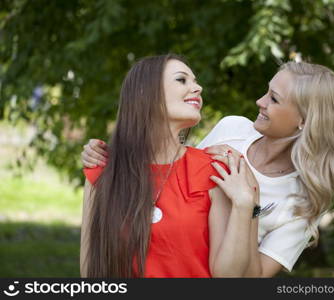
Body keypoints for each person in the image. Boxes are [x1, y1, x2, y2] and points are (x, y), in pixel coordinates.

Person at [82, 61, 334, 277]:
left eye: (274, 99)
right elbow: (173, 174)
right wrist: (108, 159)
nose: (260, 101)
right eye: (266, 91)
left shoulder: (304, 203)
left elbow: (249, 280)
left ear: (303, 121)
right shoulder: (231, 130)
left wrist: (249, 203)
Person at [80, 54, 258, 278]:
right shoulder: (103, 170)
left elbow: (227, 277)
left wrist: (243, 206)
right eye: (182, 80)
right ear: (146, 94)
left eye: (196, 81)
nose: (198, 88)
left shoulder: (213, 170)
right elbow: (90, 272)